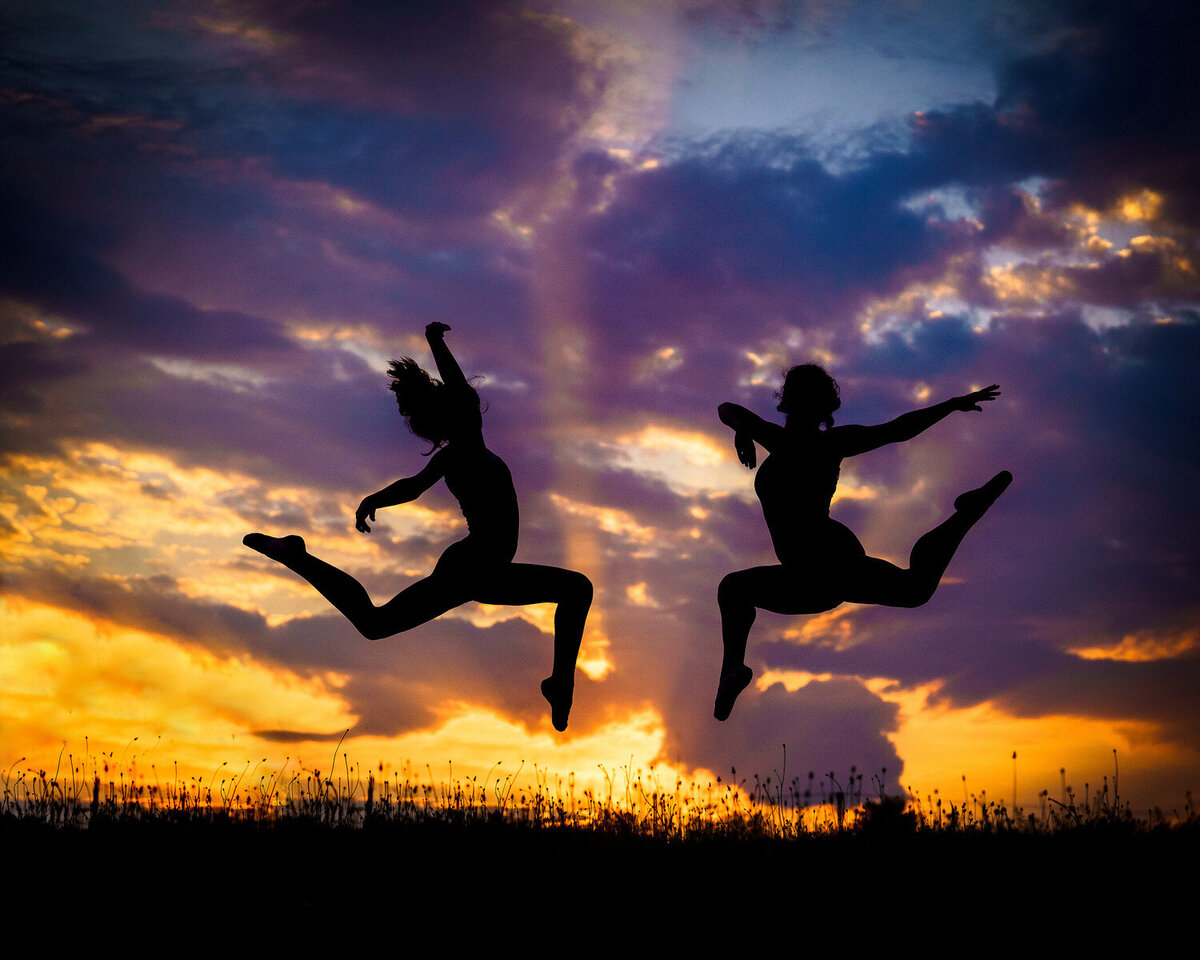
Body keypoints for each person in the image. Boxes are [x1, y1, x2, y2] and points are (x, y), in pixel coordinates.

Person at [244, 322, 592, 731]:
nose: (470, 404)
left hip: (483, 570)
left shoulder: (467, 447)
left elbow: (455, 397)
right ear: (453, 416)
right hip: (472, 567)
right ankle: (297, 557)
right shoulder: (457, 455)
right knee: (375, 623)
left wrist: (435, 344)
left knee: (375, 624)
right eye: (463, 405)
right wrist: (376, 499)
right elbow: (412, 485)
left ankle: (296, 555)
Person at [713, 364, 1011, 721]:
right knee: (915, 588)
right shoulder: (794, 440)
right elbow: (728, 411)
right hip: (808, 577)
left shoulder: (794, 441)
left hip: (827, 559)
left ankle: (967, 513)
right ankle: (967, 512)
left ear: (787, 403)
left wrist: (949, 405)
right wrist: (744, 429)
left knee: (735, 589)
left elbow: (899, 430)